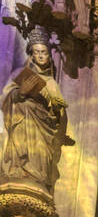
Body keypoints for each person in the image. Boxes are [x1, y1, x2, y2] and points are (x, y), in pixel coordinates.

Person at [0, 30, 70, 191]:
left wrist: (55, 106)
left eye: (44, 52)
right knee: (20, 142)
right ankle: (19, 169)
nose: (40, 56)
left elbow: (59, 110)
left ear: (49, 56)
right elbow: (4, 98)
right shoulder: (19, 74)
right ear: (31, 54)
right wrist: (20, 93)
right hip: (21, 121)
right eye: (37, 52)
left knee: (40, 154)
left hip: (43, 128)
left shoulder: (51, 82)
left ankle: (38, 174)